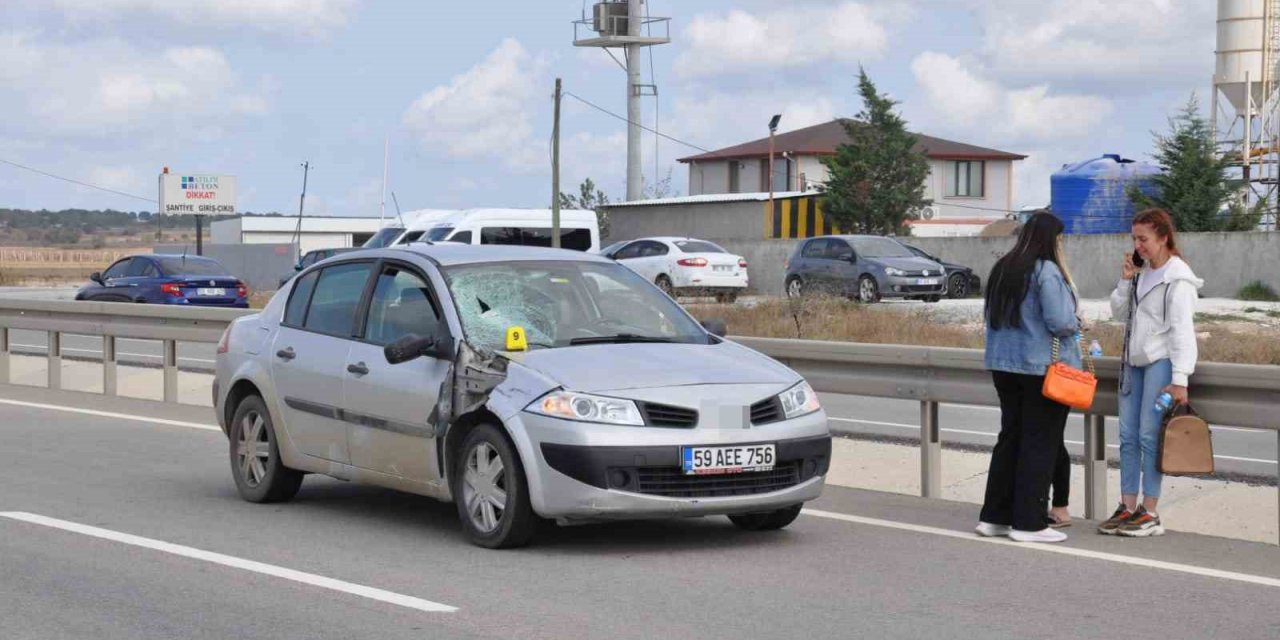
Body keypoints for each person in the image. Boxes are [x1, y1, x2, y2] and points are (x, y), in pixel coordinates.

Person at [976, 211, 1081, 543]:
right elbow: (1061, 321)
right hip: (1039, 368)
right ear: (1050, 239)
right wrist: (1078, 321)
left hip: (1003, 365)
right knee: (1040, 443)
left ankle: (994, 517)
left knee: (1010, 438)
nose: (1062, 245)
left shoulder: (1004, 267)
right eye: (1060, 239)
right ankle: (1030, 523)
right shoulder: (1046, 271)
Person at [1097, 208, 1203, 538]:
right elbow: (1118, 312)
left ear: (1163, 237)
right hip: (1133, 362)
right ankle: (1128, 505)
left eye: (1143, 239)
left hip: (1160, 363)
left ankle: (1151, 511)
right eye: (1134, 239)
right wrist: (1126, 279)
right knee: (1127, 436)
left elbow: (1182, 331)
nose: (1137, 246)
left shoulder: (1178, 278)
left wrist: (1180, 379)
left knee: (1148, 436)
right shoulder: (1143, 274)